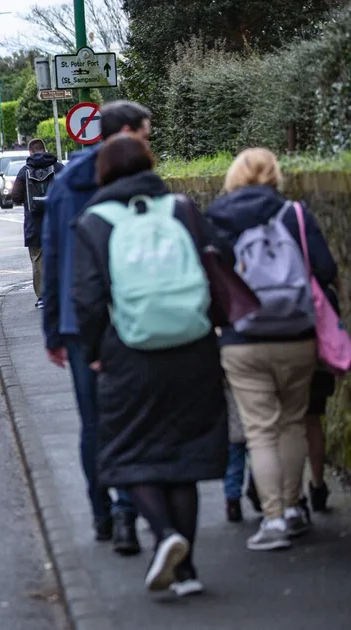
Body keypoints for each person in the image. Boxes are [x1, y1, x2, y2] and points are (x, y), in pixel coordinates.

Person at [73, 134, 229, 596]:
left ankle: (164, 535)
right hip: (193, 348)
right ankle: (187, 572)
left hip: (129, 353)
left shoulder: (94, 222)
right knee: (183, 456)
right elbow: (220, 262)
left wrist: (94, 352)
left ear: (104, 172)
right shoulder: (181, 209)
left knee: (131, 454)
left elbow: (87, 299)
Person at [205, 148, 338, 551]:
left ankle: (274, 518)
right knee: (292, 424)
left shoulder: (216, 218)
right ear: (274, 175)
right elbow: (326, 270)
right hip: (297, 335)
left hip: (241, 340)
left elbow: (206, 279)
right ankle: (294, 508)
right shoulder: (294, 214)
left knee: (260, 431)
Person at [40, 101, 154, 555]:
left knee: (94, 423)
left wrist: (53, 328)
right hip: (133, 314)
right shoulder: (139, 182)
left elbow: (53, 255)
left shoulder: (67, 181)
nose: (148, 142)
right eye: (145, 134)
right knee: (137, 418)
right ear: (126, 133)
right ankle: (128, 510)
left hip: (77, 320)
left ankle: (103, 513)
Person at [12, 138, 63, 309]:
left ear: (30, 152)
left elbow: (15, 196)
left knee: (38, 261)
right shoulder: (58, 167)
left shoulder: (24, 171)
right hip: (57, 222)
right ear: (44, 149)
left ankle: (42, 297)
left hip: (34, 225)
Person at [223, 384, 247, 523]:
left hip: (231, 426)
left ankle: (233, 502)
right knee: (259, 457)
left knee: (232, 465)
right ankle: (259, 490)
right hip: (254, 424)